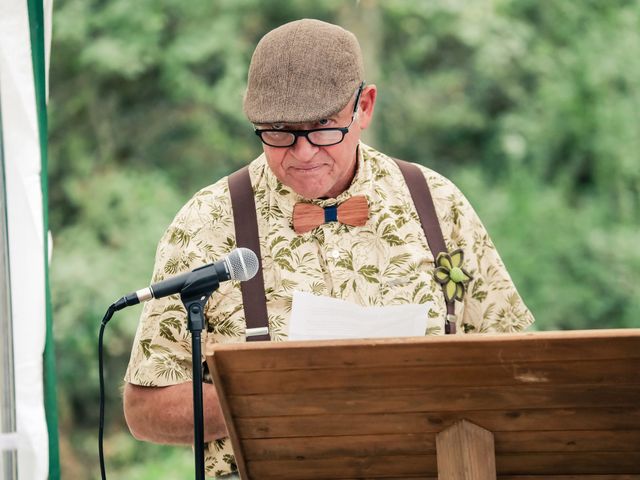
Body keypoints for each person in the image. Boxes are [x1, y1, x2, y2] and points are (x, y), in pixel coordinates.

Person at [123, 18, 534, 478]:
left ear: (365, 107)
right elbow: (145, 410)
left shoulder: (436, 203)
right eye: (278, 131)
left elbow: (515, 371)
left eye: (322, 127)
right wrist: (272, 394)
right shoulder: (206, 224)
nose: (301, 153)